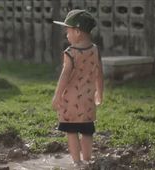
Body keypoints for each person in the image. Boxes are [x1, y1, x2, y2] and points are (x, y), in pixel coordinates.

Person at [52, 10, 104, 167]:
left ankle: (77, 162)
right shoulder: (95, 50)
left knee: (72, 132)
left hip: (71, 102)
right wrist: (99, 92)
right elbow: (99, 73)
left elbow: (64, 76)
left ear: (77, 32)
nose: (66, 35)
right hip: (88, 101)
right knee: (87, 131)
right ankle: (88, 160)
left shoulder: (71, 53)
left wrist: (57, 95)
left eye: (68, 31)